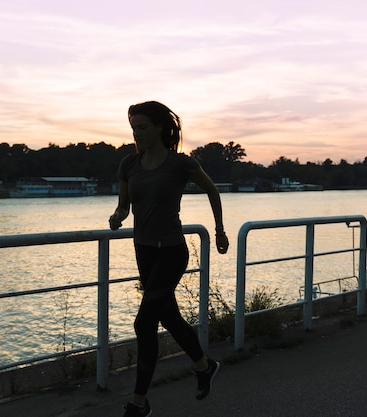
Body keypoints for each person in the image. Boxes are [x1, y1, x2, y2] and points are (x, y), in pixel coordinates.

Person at [109, 101, 229, 417]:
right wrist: (118, 216)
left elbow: (213, 191)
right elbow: (125, 205)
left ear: (160, 128)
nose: (136, 134)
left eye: (143, 127)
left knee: (144, 321)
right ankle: (205, 366)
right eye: (133, 128)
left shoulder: (180, 164)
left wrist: (219, 231)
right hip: (143, 251)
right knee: (169, 317)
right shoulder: (128, 165)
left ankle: (138, 402)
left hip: (172, 252)